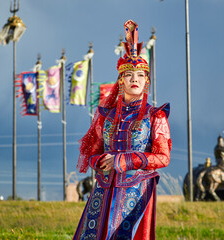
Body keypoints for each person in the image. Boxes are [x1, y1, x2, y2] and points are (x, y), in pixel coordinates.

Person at [73, 20, 172, 240]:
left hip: (136, 188)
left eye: (139, 75)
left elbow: (163, 158)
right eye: (129, 75)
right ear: (121, 81)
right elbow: (92, 153)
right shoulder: (106, 116)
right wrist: (100, 162)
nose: (134, 79)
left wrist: (125, 160)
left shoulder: (155, 116)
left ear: (146, 81)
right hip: (104, 189)